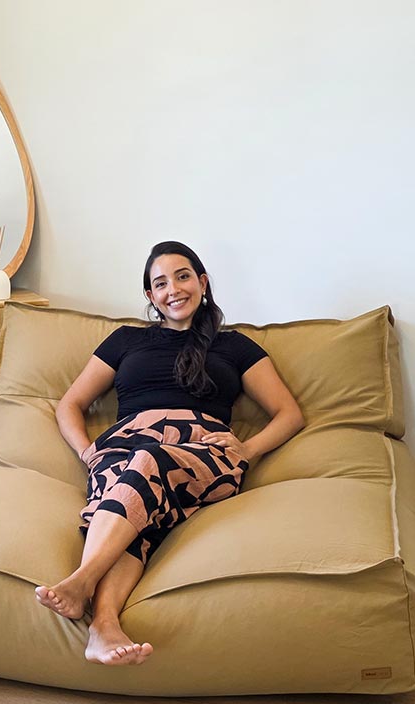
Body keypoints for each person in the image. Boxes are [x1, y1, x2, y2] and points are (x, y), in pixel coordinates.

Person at [34, 241, 305, 666]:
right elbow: (71, 403)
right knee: (134, 502)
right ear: (150, 295)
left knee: (148, 462)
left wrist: (247, 448)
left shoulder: (235, 346)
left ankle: (82, 581)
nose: (173, 290)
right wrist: (88, 452)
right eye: (160, 283)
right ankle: (103, 626)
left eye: (182, 277)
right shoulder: (125, 340)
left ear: (202, 282)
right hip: (123, 446)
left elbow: (289, 413)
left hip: (201, 453)